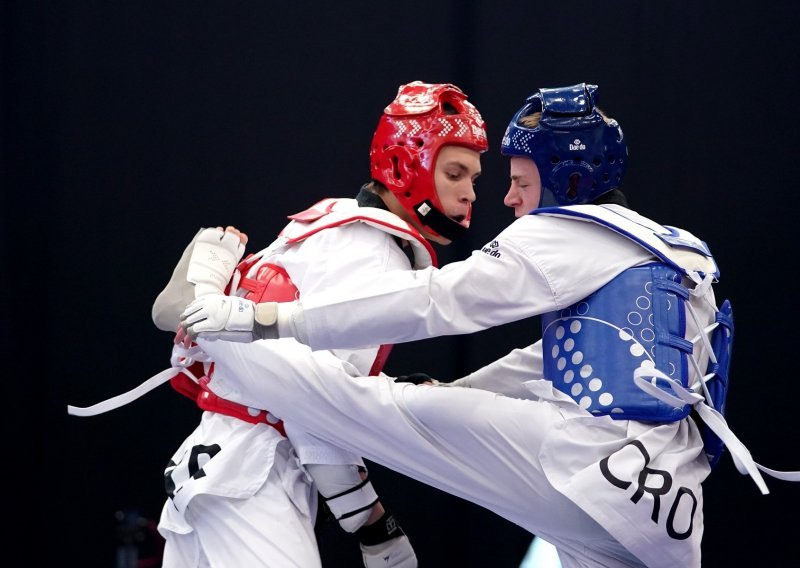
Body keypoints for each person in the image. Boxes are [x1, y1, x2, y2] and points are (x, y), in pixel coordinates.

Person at [178, 83, 799, 567]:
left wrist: (264, 316)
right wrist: (455, 393)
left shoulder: (568, 231)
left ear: (566, 182)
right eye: (467, 175)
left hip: (582, 465)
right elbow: (555, 359)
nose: (504, 199)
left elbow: (439, 301)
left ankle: (208, 319)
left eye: (520, 181)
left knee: (364, 403)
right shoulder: (681, 251)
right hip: (665, 514)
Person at [148, 80, 488, 567]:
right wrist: (372, 526)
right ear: (404, 164)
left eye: (474, 178)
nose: (470, 194)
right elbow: (315, 402)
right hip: (255, 477)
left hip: (212, 467)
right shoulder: (376, 252)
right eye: (455, 173)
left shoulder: (328, 225)